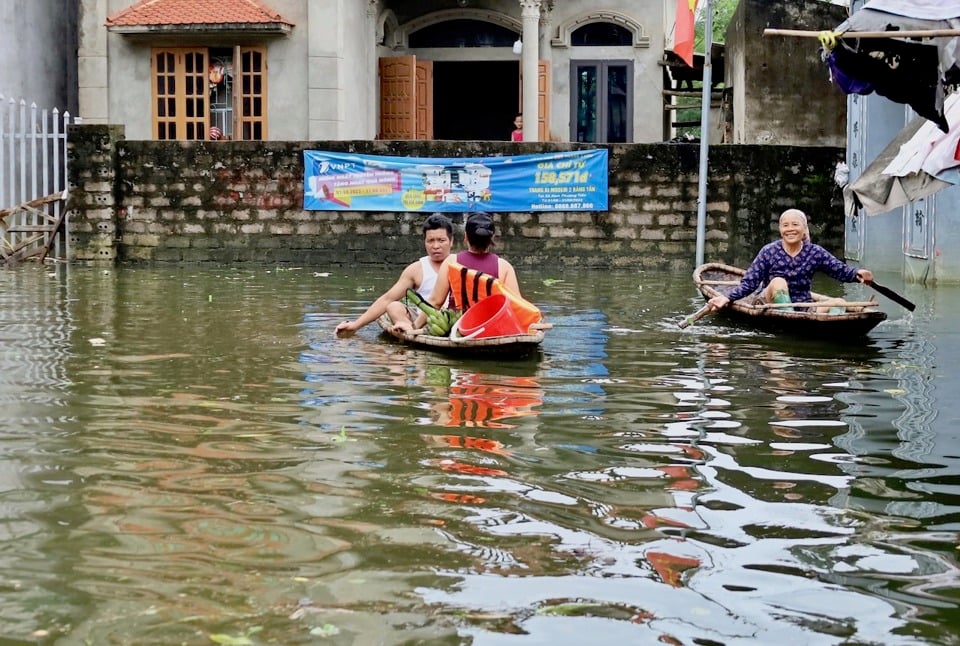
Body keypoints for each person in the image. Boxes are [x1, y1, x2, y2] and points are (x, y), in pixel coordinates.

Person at [707, 208, 874, 314]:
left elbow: (839, 270)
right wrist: (727, 298)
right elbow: (749, 283)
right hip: (769, 304)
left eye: (795, 224)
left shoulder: (814, 252)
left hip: (803, 306)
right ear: (780, 230)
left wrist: (858, 274)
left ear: (804, 229)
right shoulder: (769, 251)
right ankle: (789, 316)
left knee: (840, 302)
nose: (790, 229)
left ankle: (831, 332)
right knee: (778, 281)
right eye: (785, 225)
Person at [335, 213, 454, 336]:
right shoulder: (416, 269)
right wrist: (355, 325)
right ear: (424, 242)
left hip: (453, 319)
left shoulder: (461, 263)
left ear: (451, 241)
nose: (435, 246)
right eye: (430, 241)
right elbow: (387, 298)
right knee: (393, 306)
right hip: (422, 320)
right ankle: (405, 326)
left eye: (441, 240)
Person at [410, 212, 521, 330]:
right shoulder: (504, 266)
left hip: (457, 327)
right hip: (491, 327)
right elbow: (517, 306)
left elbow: (436, 302)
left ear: (466, 236)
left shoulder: (451, 261)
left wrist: (414, 327)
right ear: (492, 237)